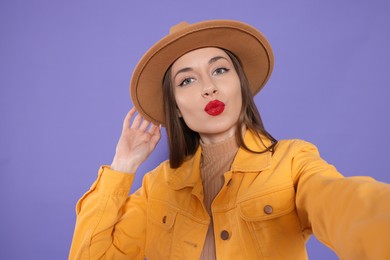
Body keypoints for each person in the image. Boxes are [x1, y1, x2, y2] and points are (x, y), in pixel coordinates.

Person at [69, 20, 390, 259]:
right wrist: (122, 168)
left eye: (219, 70)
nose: (208, 86)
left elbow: (347, 205)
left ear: (241, 85)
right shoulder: (157, 187)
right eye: (188, 80)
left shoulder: (292, 161)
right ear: (176, 109)